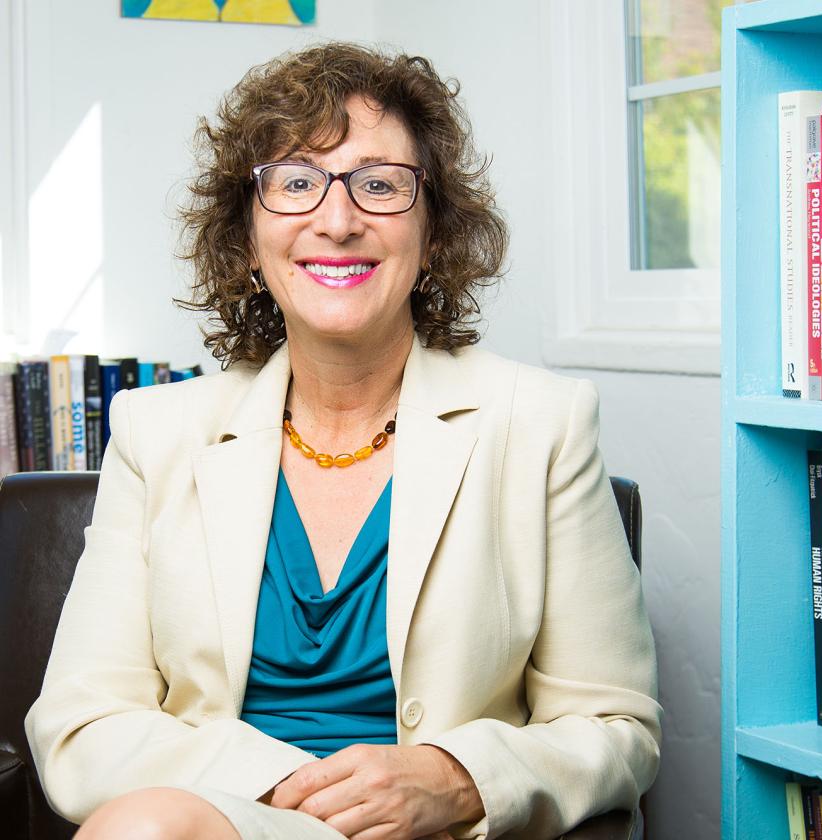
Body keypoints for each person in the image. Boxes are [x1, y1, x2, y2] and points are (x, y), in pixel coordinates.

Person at [25, 43, 662, 840]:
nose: (337, 219)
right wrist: (293, 787)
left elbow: (616, 728)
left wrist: (458, 781)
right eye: (295, 183)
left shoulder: (542, 423)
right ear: (249, 239)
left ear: (432, 237)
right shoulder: (158, 434)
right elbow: (82, 728)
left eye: (381, 185)